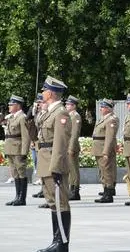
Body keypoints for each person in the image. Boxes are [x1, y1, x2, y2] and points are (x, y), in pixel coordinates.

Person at [36, 75, 72, 252]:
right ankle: (56, 240)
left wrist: (56, 167)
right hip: (45, 161)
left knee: (60, 202)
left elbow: (60, 142)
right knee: (52, 202)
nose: (42, 93)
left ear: (50, 93)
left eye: (44, 90)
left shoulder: (61, 113)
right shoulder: (49, 112)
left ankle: (62, 243)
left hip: (53, 162)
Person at [4, 95, 31, 206]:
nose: (9, 106)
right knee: (14, 173)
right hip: (11, 149)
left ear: (18, 106)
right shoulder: (11, 117)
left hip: (18, 149)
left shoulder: (22, 117)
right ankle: (17, 196)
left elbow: (26, 136)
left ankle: (22, 198)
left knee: (21, 172)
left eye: (11, 104)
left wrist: (24, 152)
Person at [93, 99, 119, 203]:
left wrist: (106, 152)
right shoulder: (103, 119)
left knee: (107, 171)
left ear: (108, 108)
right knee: (102, 171)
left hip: (104, 148)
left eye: (103, 107)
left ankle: (108, 193)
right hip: (99, 148)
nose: (101, 109)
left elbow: (109, 137)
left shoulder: (111, 119)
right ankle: (105, 190)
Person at [65, 95, 82, 201]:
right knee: (69, 169)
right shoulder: (69, 115)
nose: (66, 106)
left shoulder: (75, 116)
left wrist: (71, 147)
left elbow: (75, 134)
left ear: (73, 106)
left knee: (73, 169)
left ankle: (75, 191)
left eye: (68, 104)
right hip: (67, 145)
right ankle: (71, 189)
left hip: (72, 146)